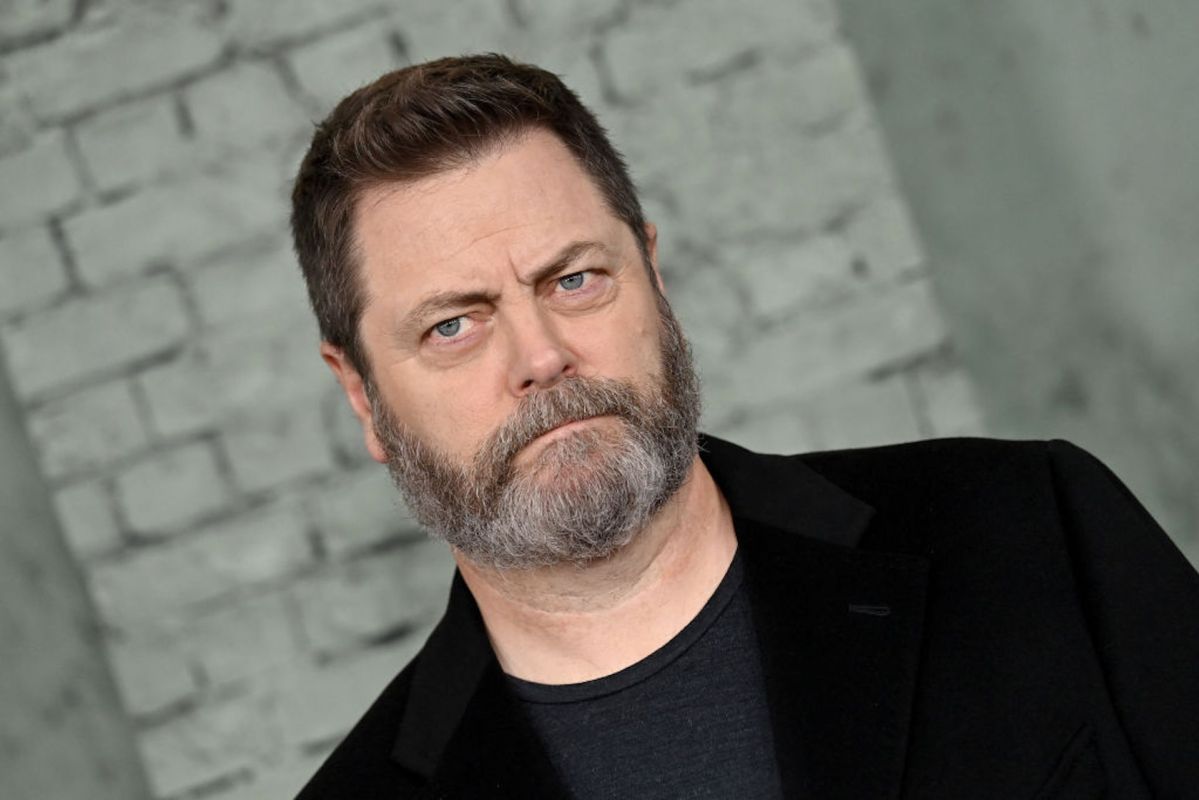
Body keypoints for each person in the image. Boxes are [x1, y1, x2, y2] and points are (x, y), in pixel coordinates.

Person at [289, 54, 1199, 799]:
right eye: (453, 325)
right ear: (363, 396)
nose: (541, 355)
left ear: (653, 279)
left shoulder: (1029, 524)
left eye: (573, 280)